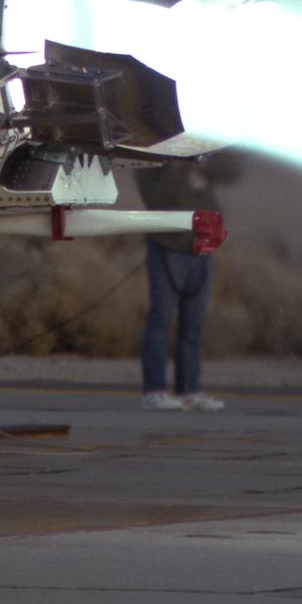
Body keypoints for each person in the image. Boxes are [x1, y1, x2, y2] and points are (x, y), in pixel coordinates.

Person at [134, 152, 240, 412]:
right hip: (167, 248)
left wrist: (204, 162)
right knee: (161, 322)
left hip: (201, 250)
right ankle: (154, 390)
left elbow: (231, 172)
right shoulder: (147, 162)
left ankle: (190, 389)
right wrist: (176, 165)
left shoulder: (204, 164)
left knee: (194, 325)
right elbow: (157, 198)